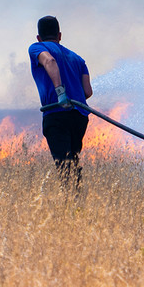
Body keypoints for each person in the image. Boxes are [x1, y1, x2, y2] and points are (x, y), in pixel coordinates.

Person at [29, 16, 93, 195]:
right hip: (79, 116)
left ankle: (72, 203)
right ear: (60, 35)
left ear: (38, 37)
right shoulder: (78, 59)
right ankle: (78, 199)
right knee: (72, 159)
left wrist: (60, 92)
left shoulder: (37, 48)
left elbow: (49, 61)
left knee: (63, 164)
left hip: (56, 114)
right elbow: (87, 92)